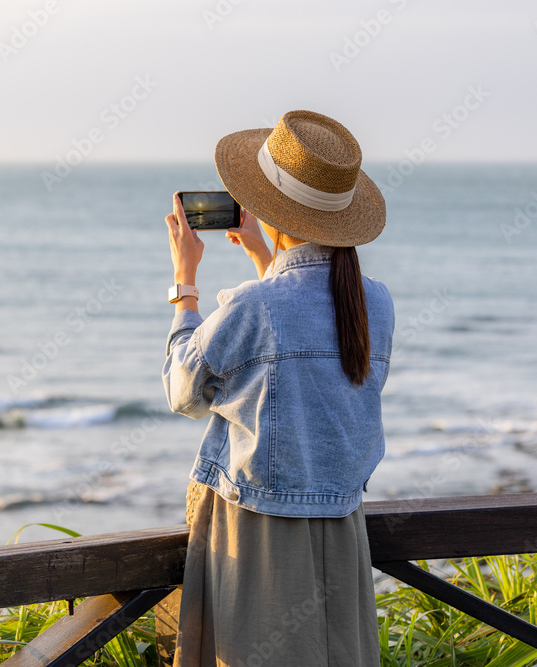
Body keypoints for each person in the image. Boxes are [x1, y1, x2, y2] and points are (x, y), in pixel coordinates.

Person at [162, 110, 394, 666]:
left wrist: (184, 284)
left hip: (256, 531)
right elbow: (301, 340)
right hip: (342, 525)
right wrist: (266, 260)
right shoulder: (375, 301)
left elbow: (183, 392)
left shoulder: (252, 304)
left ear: (267, 210)